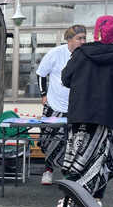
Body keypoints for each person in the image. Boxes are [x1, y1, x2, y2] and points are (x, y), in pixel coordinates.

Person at [59, 14, 113, 198]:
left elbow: (66, 78)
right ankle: (96, 197)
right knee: (101, 158)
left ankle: (73, 197)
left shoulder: (81, 53)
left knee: (78, 156)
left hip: (81, 114)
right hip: (108, 117)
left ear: (96, 32)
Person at [35, 24, 87, 184]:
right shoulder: (56, 53)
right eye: (80, 38)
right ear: (69, 40)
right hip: (54, 104)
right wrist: (43, 95)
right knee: (49, 139)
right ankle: (48, 170)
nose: (83, 41)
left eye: (85, 38)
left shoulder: (86, 55)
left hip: (76, 106)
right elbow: (41, 74)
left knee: (73, 141)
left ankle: (70, 174)